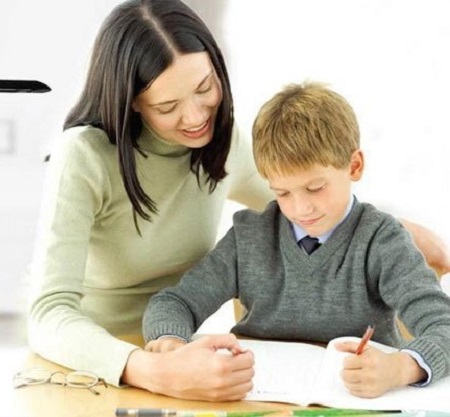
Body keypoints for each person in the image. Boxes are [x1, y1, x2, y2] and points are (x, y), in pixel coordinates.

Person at [26, 0, 450, 401]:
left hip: (198, 360)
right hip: (98, 361)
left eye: (204, 88)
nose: (197, 117)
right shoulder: (83, 155)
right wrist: (159, 365)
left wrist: (402, 234)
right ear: (133, 102)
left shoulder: (225, 143)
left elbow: (310, 197)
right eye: (168, 106)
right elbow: (49, 312)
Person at [142, 82, 450, 399]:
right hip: (257, 400)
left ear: (354, 166)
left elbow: (444, 327)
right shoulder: (250, 236)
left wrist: (399, 368)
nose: (301, 209)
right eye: (283, 193)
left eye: (315, 188)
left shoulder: (382, 241)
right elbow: (175, 303)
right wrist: (171, 346)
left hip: (356, 402)